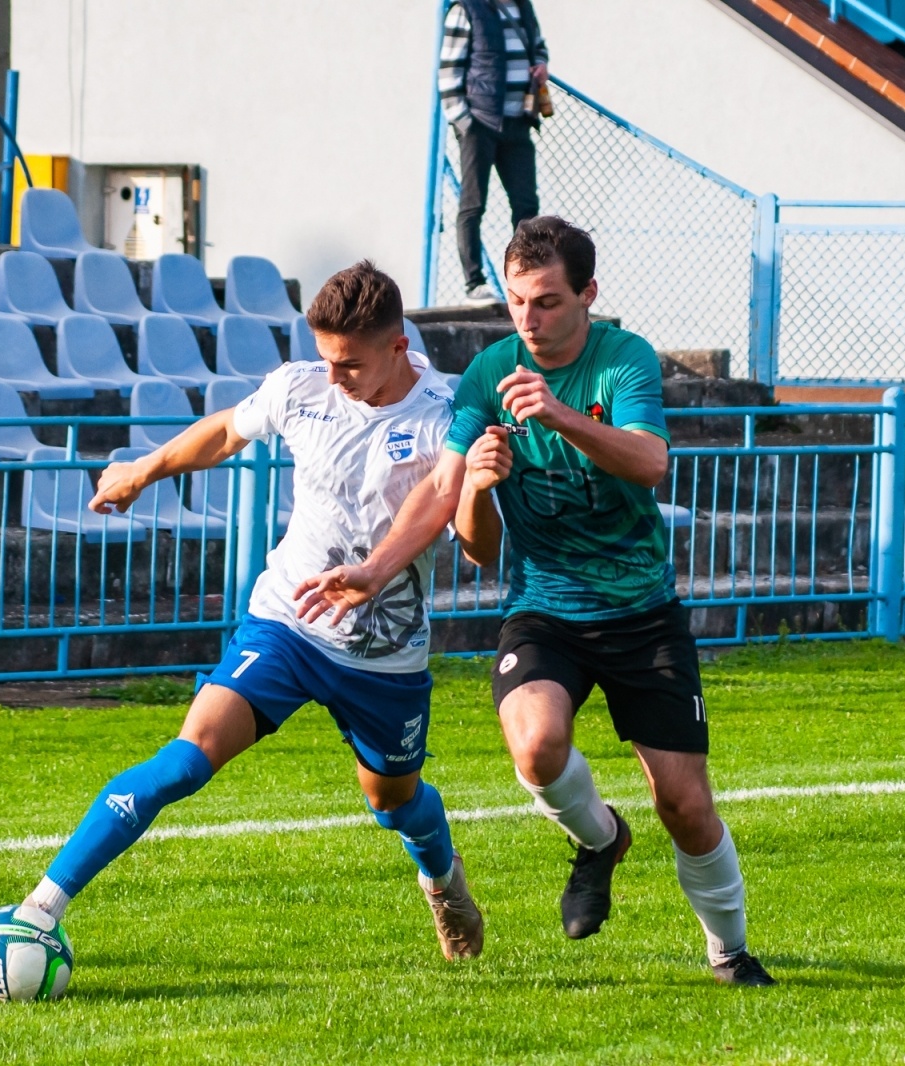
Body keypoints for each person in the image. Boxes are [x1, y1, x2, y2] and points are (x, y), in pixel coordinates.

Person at [293, 217, 775, 987]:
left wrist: (558, 416)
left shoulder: (625, 362)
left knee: (683, 804)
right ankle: (598, 841)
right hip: (546, 607)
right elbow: (468, 531)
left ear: (588, 294)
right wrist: (462, 501)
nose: (527, 318)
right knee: (535, 745)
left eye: (547, 301)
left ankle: (730, 951)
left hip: (641, 613)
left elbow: (651, 464)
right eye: (516, 300)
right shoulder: (488, 374)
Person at [19, 262, 485, 961]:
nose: (333, 376)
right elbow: (228, 432)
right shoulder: (301, 388)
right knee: (186, 760)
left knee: (393, 801)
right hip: (288, 622)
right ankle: (38, 911)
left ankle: (443, 881)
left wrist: (375, 569)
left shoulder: (443, 415)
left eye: (349, 364)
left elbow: (449, 511)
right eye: (326, 358)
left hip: (383, 652)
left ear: (397, 348)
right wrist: (143, 471)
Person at [438, 0, 546, 303]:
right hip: (480, 125)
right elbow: (448, 73)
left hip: (518, 121)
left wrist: (540, 64)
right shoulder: (466, 9)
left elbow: (538, 45)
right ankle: (475, 284)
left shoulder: (523, 7)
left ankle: (526, 277)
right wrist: (465, 123)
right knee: (473, 205)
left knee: (527, 207)